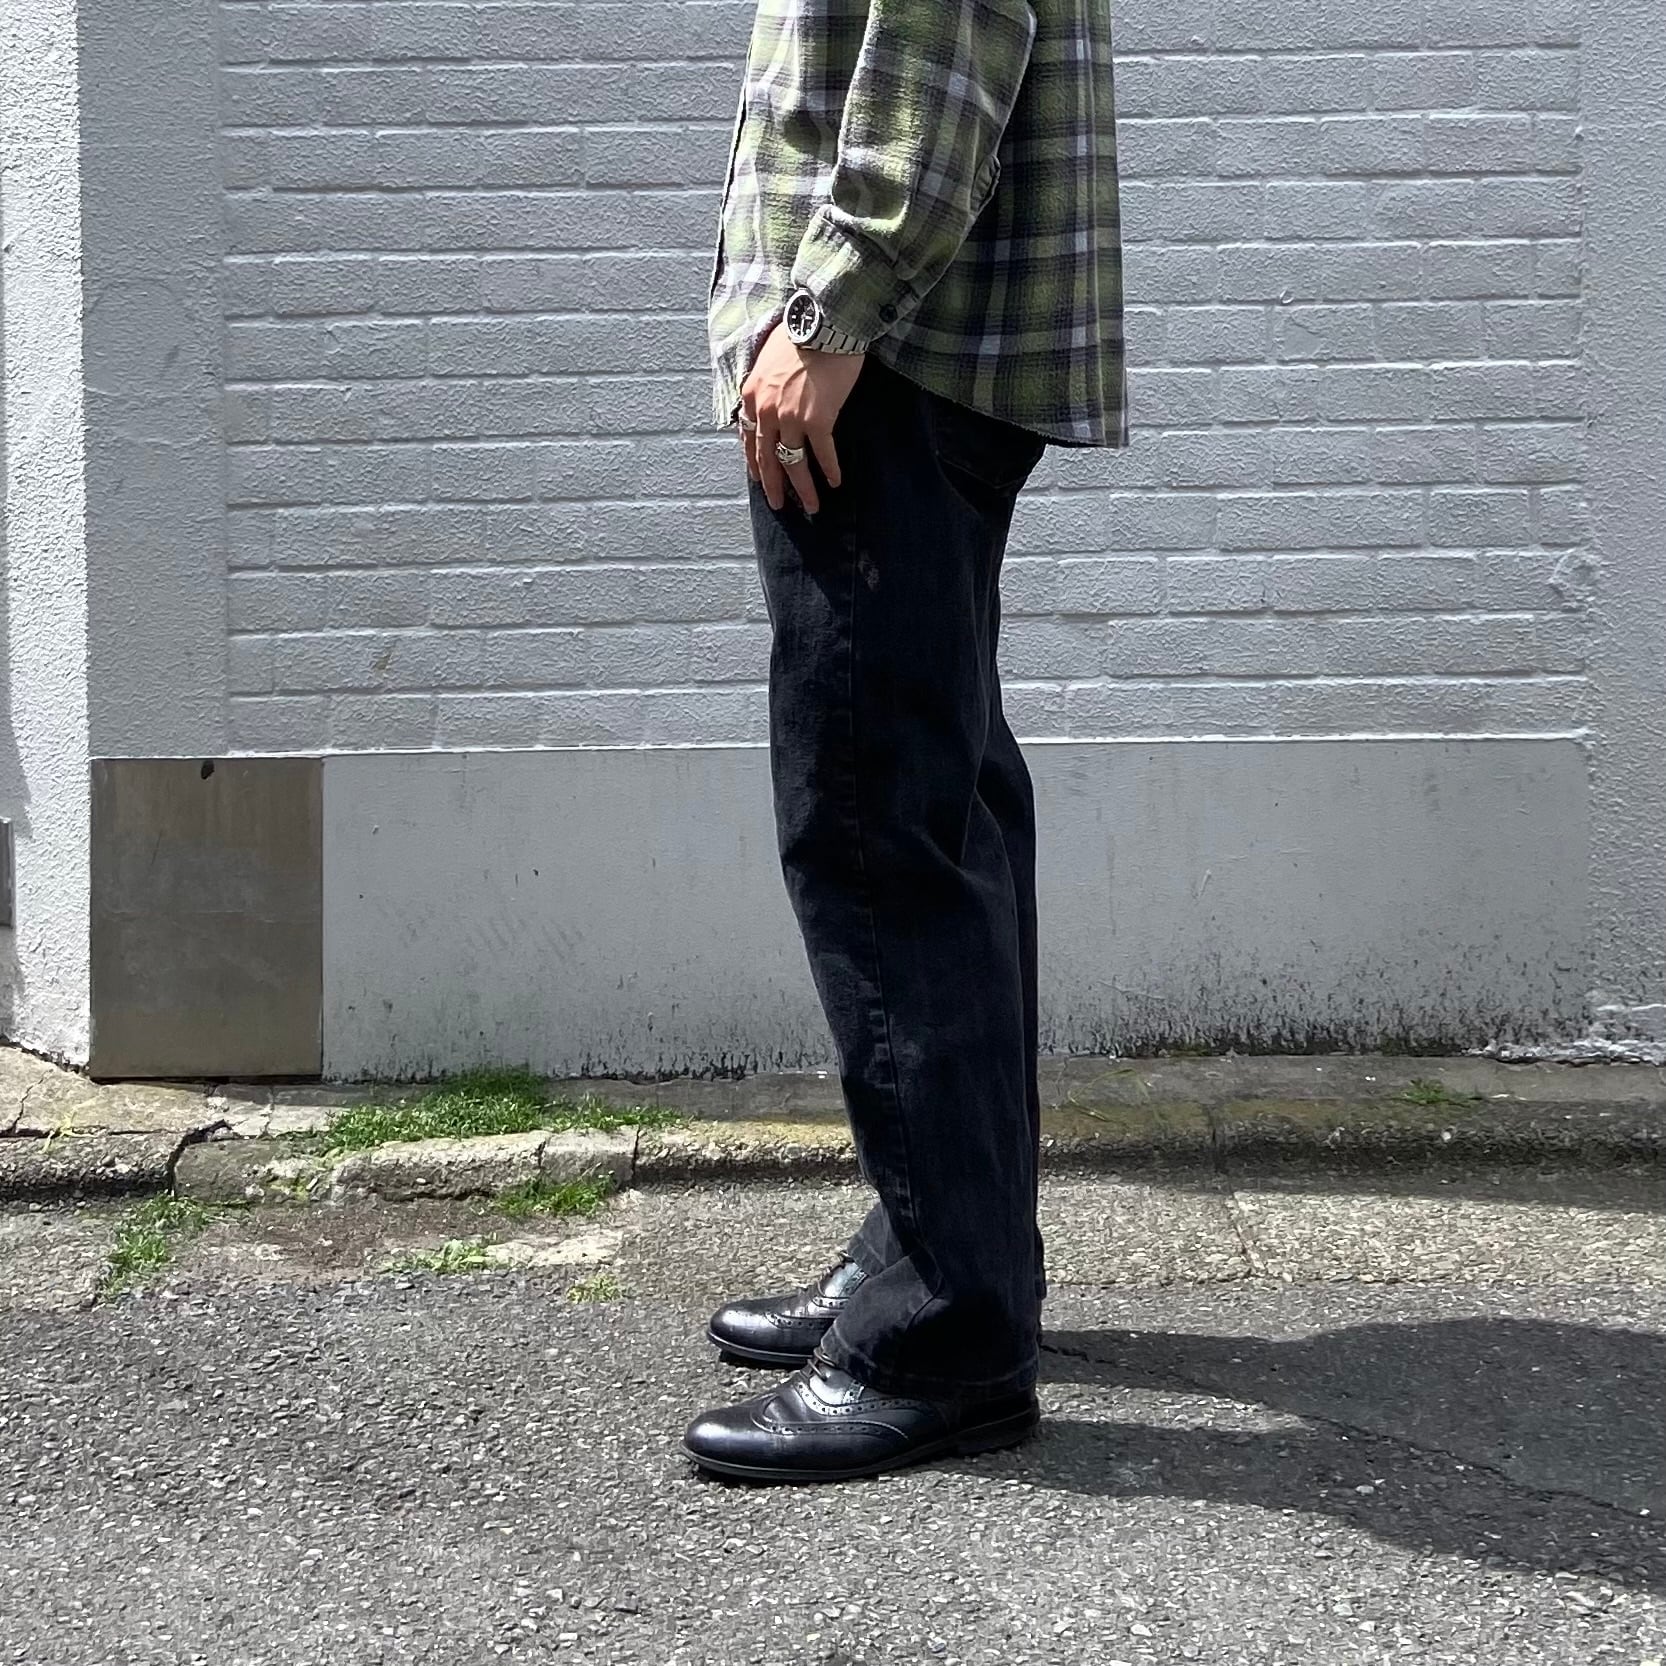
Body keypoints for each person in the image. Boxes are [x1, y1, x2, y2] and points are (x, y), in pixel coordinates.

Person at [682, 0, 1127, 1484]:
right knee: (944, 806)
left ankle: (944, 1336)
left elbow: (939, 44)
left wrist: (826, 309)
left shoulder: (858, 335)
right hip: (918, 356)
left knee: (879, 826)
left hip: (890, 360)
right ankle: (939, 1245)